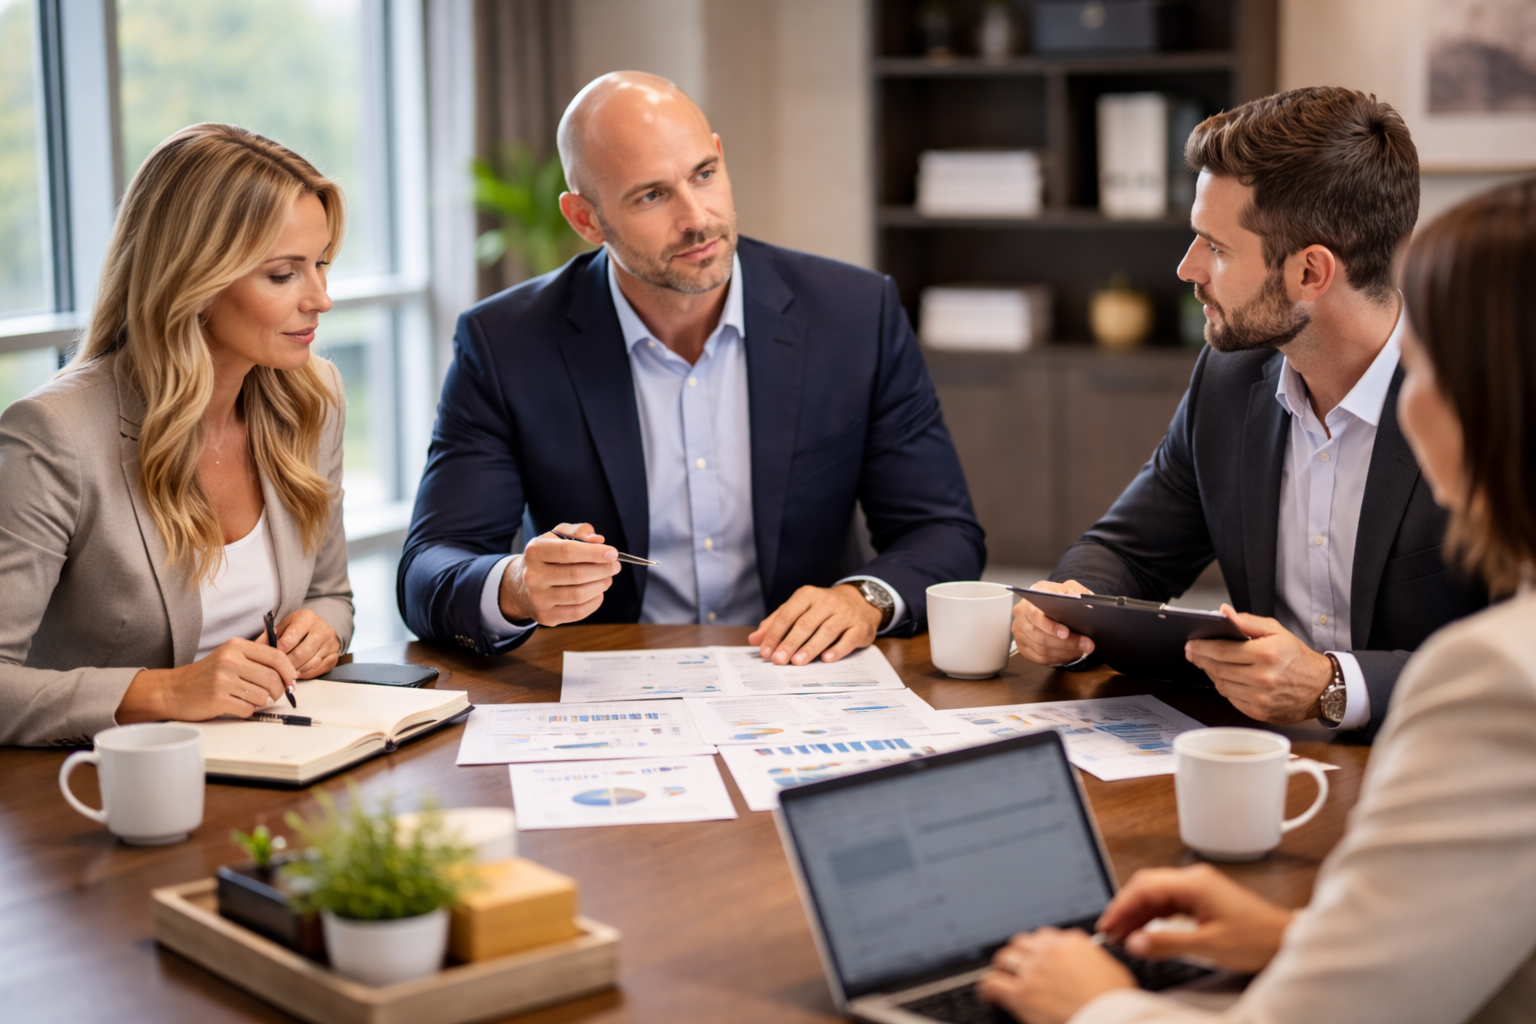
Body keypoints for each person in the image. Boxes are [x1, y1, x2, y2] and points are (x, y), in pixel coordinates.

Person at [978, 177, 1536, 1024]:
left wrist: (1092, 1005)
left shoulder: (1501, 680)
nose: (1185, 267)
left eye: (1430, 366)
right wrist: (1304, 937)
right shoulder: (1231, 379)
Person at [399, 72, 983, 663]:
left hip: (803, 682)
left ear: (721, 157)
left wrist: (865, 598)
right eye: (652, 195)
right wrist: (517, 586)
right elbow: (429, 568)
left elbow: (942, 531)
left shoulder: (855, 315)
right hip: (610, 692)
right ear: (585, 219)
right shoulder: (505, 342)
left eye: (704, 175)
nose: (697, 217)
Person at [1012, 88, 1486, 739]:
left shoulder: (1487, 402)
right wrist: (1067, 602)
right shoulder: (1230, 378)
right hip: (1259, 760)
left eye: (1216, 247)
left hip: (1435, 765)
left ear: (1310, 273)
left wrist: (1333, 685)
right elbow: (1130, 550)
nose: (1187, 269)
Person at [0, 123, 353, 747]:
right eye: (283, 275)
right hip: (99, 790)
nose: (321, 298)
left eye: (320, 264)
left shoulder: (313, 399)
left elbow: (331, 594)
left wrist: (322, 627)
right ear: (194, 280)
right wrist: (166, 692)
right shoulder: (52, 436)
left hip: (277, 759)